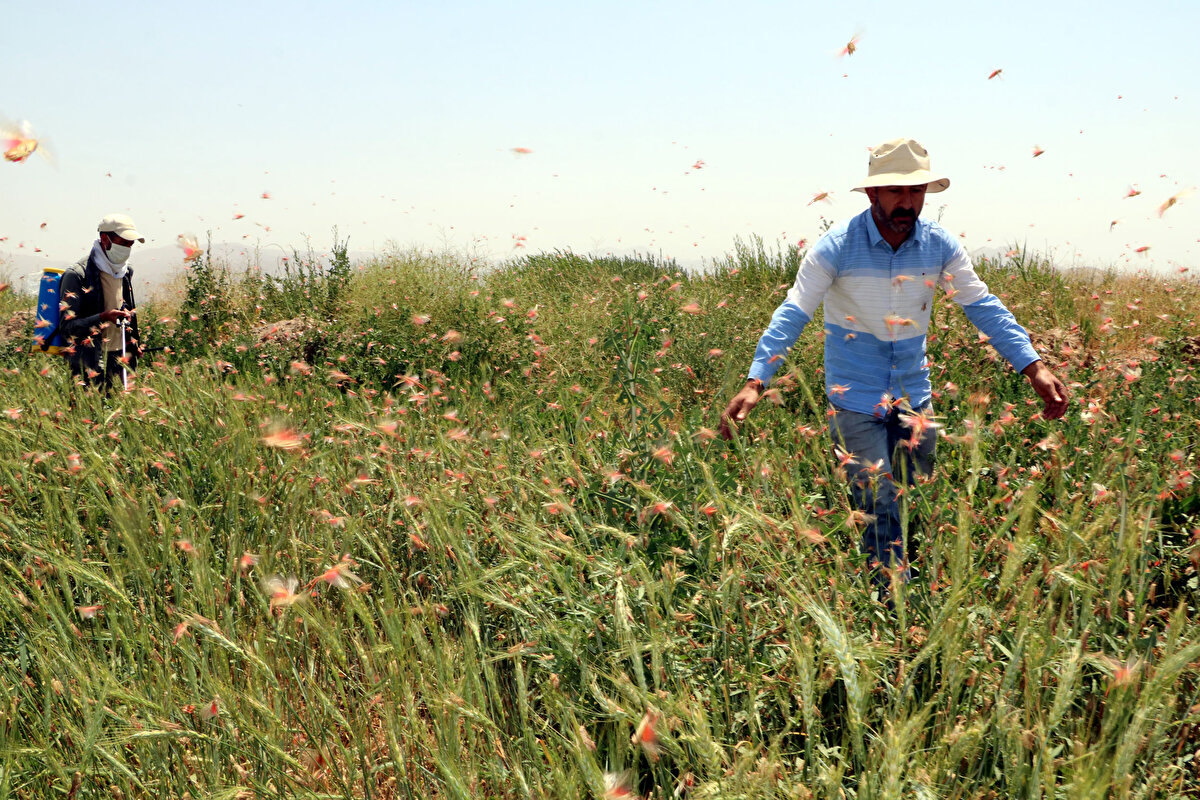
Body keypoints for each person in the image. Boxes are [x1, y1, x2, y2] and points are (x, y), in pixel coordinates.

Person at [719, 138, 1068, 595]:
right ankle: (887, 601)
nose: (908, 203)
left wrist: (1033, 367)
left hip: (912, 395)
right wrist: (756, 382)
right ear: (871, 194)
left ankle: (905, 587)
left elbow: (983, 307)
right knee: (878, 496)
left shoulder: (939, 246)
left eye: (917, 192)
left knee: (914, 493)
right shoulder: (835, 249)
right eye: (896, 192)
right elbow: (794, 312)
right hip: (854, 397)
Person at [58, 214, 144, 391]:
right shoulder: (76, 275)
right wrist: (103, 317)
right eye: (124, 242)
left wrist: (133, 344)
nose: (129, 248)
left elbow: (126, 311)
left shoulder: (125, 272)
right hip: (89, 364)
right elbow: (68, 328)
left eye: (131, 244)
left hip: (120, 360)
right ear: (105, 239)